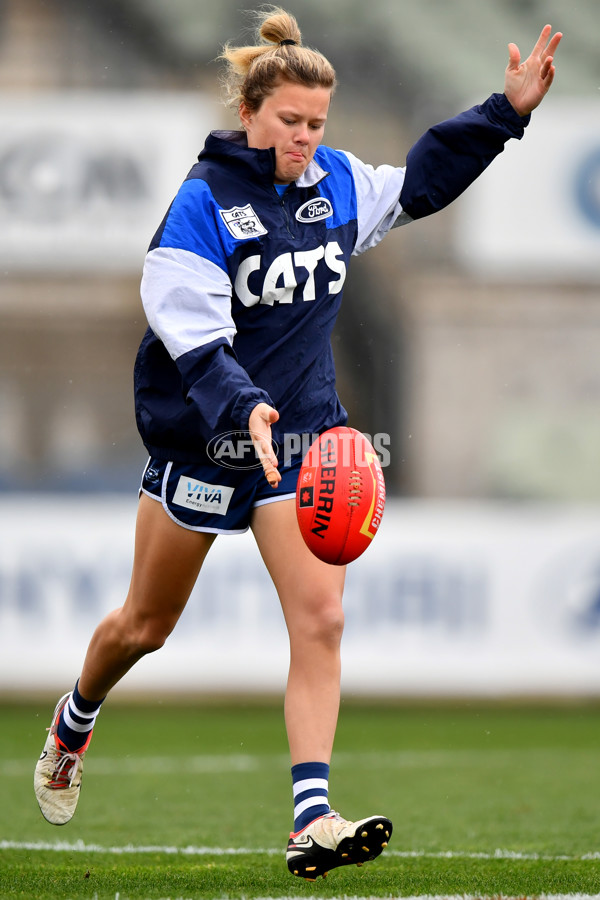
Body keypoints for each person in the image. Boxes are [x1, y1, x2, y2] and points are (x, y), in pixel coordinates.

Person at [34, 7, 562, 882]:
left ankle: (310, 818)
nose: (306, 140)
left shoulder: (336, 184)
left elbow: (420, 179)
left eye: (318, 124)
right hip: (210, 442)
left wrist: (503, 116)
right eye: (290, 123)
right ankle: (75, 720)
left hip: (307, 440)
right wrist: (243, 408)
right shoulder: (201, 206)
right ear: (250, 112)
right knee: (144, 626)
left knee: (321, 620)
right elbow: (193, 343)